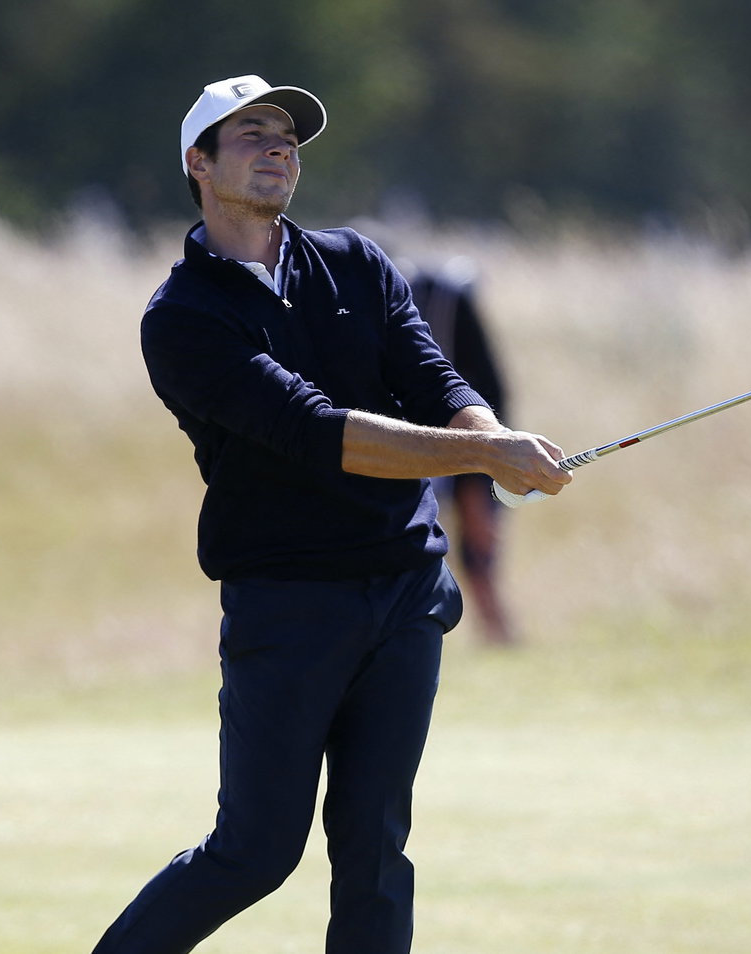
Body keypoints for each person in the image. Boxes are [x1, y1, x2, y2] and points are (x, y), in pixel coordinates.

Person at [91, 74, 570, 954]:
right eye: (252, 134)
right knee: (255, 851)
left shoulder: (354, 262)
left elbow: (434, 378)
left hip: (402, 591)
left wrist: (492, 432)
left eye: (289, 136)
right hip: (290, 604)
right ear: (199, 164)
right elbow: (320, 433)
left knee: (375, 851)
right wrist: (483, 455)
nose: (280, 147)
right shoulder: (184, 318)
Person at [408, 260, 518, 645]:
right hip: (416, 441)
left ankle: (497, 634)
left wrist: (487, 454)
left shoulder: (450, 299)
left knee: (478, 542)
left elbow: (490, 387)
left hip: (475, 441)